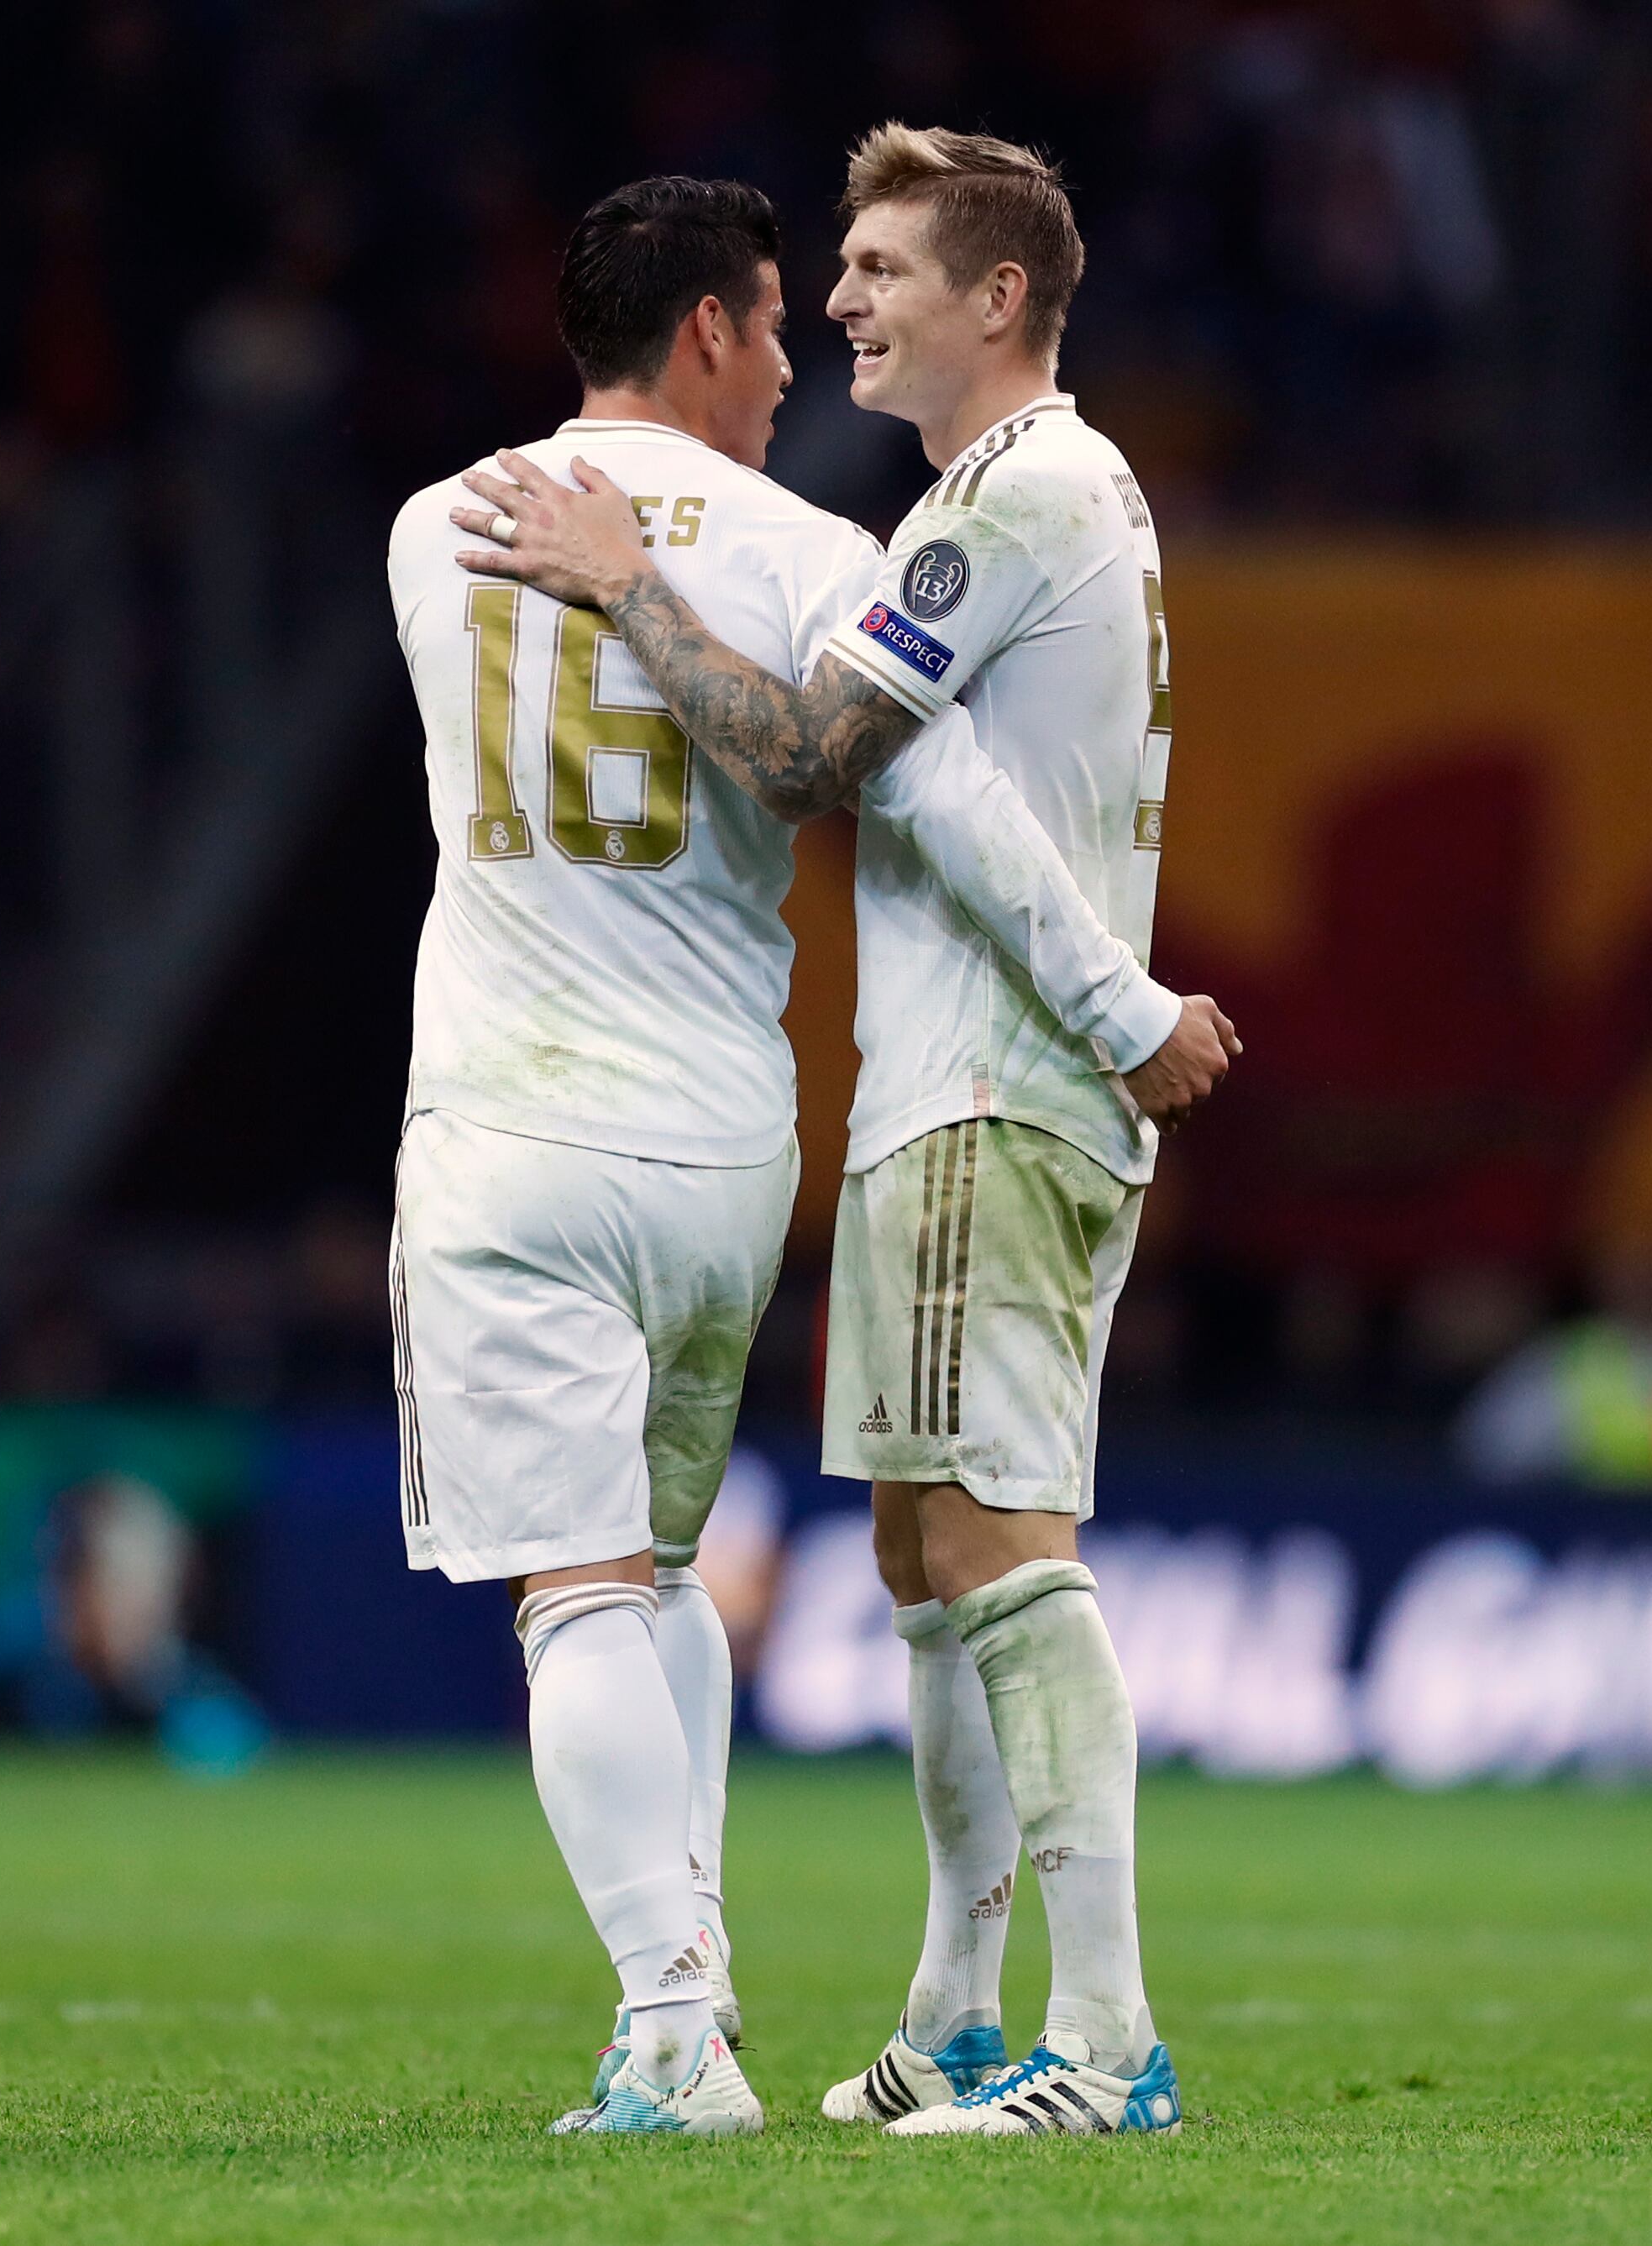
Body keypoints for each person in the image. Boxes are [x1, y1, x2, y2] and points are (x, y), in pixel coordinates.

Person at [398, 171, 1216, 2138]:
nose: (807, 342)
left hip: (530, 1111)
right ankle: (943, 2013)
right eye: (785, 308)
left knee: (600, 1585)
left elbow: (838, 758)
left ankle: (700, 2024)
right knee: (858, 1557)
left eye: (863, 281)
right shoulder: (836, 538)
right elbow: (913, 784)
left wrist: (1121, 1012)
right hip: (732, 1136)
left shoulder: (441, 524)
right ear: (702, 332)